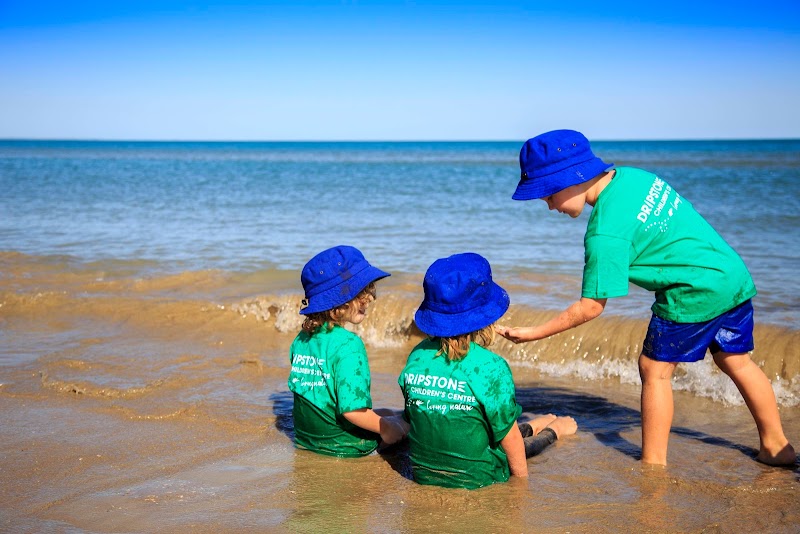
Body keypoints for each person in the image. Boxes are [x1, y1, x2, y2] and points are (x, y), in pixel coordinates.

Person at [496, 129, 795, 466]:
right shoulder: (636, 178)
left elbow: (591, 307)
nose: (548, 206)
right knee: (736, 360)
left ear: (570, 178)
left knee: (653, 369)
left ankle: (653, 463)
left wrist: (533, 333)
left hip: (691, 291)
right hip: (729, 274)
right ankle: (775, 444)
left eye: (547, 195)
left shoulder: (604, 233)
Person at [399, 252, 577, 489]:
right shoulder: (491, 367)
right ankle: (554, 428)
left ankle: (536, 423)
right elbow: (509, 438)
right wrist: (520, 486)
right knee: (517, 439)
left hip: (424, 474)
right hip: (479, 477)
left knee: (478, 422)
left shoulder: (417, 356)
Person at [288, 245, 408, 457]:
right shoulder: (348, 345)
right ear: (337, 301)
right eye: (361, 292)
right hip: (345, 446)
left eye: (369, 289)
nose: (370, 298)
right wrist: (387, 429)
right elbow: (352, 411)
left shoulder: (302, 339)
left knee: (390, 413)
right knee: (404, 428)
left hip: (307, 440)